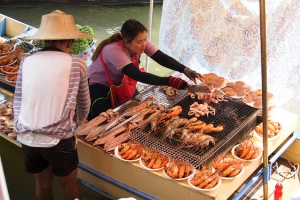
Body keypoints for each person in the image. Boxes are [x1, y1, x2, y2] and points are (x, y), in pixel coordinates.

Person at [13, 10, 91, 200]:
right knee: (70, 186)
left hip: (27, 136)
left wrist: (21, 125)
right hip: (59, 141)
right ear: (70, 42)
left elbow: (18, 99)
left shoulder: (27, 61)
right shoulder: (77, 63)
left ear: (45, 41)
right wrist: (77, 124)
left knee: (42, 185)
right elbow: (84, 103)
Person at [88, 18, 202, 120]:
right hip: (100, 85)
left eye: (145, 39)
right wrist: (169, 81)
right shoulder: (113, 50)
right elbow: (138, 75)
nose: (144, 44)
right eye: (139, 42)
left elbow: (161, 57)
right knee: (104, 119)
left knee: (137, 109)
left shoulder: (140, 42)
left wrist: (185, 69)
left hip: (121, 83)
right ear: (127, 42)